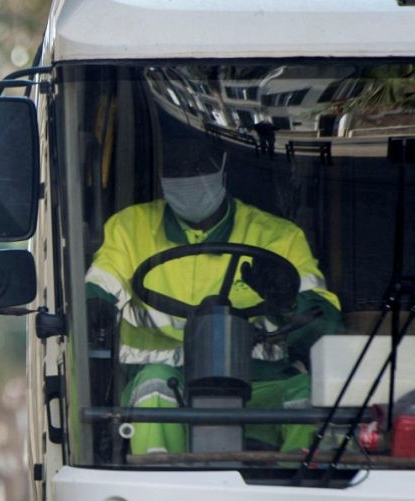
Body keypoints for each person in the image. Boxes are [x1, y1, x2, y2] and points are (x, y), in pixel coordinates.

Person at [84, 136, 342, 455]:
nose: (188, 177)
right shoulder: (129, 228)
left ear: (223, 168)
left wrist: (287, 300)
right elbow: (101, 285)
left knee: (309, 394)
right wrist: (93, 305)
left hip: (261, 385)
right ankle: (160, 493)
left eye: (198, 167)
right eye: (175, 170)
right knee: (154, 386)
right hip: (172, 384)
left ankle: (299, 492)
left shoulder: (279, 237)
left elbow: (325, 329)